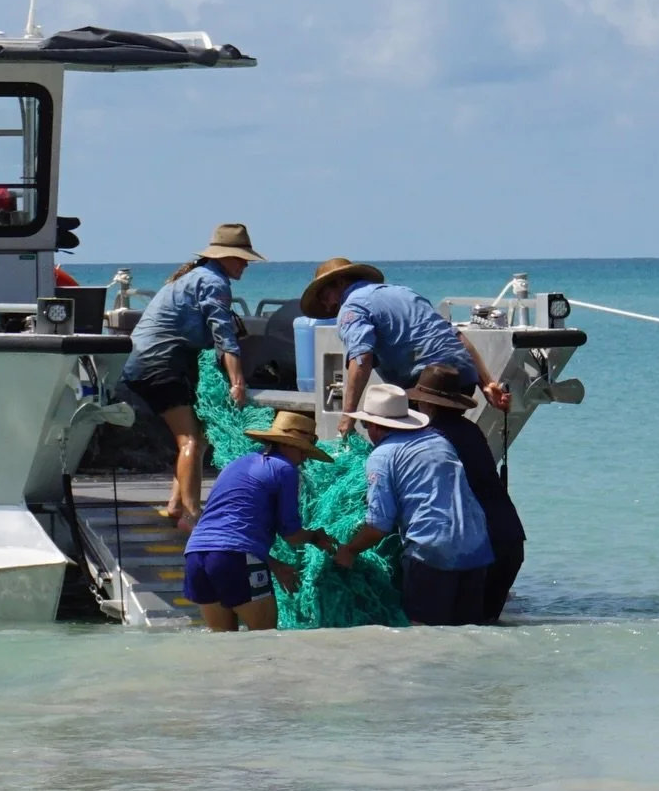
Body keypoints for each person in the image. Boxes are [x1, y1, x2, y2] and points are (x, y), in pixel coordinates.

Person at [121, 223, 262, 527]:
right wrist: (237, 382)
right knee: (190, 441)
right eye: (241, 258)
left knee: (197, 436)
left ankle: (176, 505)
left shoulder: (194, 275)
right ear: (223, 256)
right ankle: (191, 514)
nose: (245, 265)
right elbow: (224, 337)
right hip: (159, 363)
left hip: (145, 361)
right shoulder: (213, 281)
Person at [333, 384, 494, 626]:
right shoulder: (438, 441)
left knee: (422, 633)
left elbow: (378, 525)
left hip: (431, 551)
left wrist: (349, 550)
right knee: (468, 633)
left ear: (375, 426)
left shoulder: (382, 456)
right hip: (476, 547)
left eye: (366, 425)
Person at [297, 258, 511, 438]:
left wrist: (348, 416)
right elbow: (456, 337)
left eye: (325, 297)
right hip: (464, 379)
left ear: (340, 283)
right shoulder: (404, 292)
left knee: (393, 437)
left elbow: (361, 359)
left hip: (425, 382)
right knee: (448, 438)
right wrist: (487, 384)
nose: (328, 306)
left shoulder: (351, 307)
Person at [183, 410, 336, 630]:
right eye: (304, 451)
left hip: (195, 556)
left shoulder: (237, 464)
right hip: (234, 558)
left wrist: (273, 564)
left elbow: (230, 533)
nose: (305, 458)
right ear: (287, 445)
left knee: (222, 642)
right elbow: (291, 534)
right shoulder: (285, 469)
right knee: (266, 640)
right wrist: (316, 537)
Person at [408, 363, 526, 622]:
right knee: (483, 627)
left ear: (426, 403)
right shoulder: (471, 431)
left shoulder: (430, 439)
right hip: (510, 539)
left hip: (477, 547)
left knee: (449, 629)